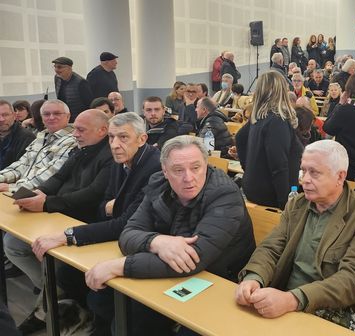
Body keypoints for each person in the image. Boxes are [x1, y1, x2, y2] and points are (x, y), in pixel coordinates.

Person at [85, 136, 255, 336]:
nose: (189, 177)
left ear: (206, 166)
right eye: (178, 170)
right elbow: (129, 233)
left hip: (222, 280)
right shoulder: (157, 184)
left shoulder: (225, 195)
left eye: (196, 167)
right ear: (165, 171)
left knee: (140, 317)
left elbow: (193, 259)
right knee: (104, 300)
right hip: (175, 274)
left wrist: (119, 266)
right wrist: (157, 241)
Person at [236, 140, 355, 335]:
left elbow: (353, 280)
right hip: (287, 302)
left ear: (340, 177)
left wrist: (293, 299)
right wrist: (253, 278)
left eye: (314, 173)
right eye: (303, 170)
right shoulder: (297, 205)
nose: (304, 179)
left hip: (339, 312)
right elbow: (271, 248)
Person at [31, 112, 161, 333]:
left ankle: (102, 325)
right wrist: (114, 209)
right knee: (66, 274)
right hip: (119, 239)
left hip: (144, 245)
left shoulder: (154, 169)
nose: (115, 144)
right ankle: (88, 318)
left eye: (123, 137)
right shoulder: (119, 163)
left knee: (99, 297)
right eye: (111, 137)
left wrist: (68, 234)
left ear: (142, 139)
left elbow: (124, 223)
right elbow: (102, 207)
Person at [5, 109, 112, 333]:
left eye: (81, 130)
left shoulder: (109, 155)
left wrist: (46, 203)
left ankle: (47, 309)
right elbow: (58, 177)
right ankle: (54, 293)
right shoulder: (80, 150)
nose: (75, 134)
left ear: (102, 130)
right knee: (13, 245)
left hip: (80, 221)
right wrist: (36, 194)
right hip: (58, 213)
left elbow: (91, 195)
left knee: (56, 265)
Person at [235, 71, 303, 209]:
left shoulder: (258, 116)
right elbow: (279, 166)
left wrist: (248, 168)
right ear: (281, 91)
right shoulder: (277, 121)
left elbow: (240, 137)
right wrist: (285, 203)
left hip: (255, 188)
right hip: (272, 195)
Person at [0, 100, 76, 193]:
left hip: (43, 196)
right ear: (42, 117)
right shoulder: (41, 137)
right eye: (46, 114)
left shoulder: (73, 140)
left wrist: (14, 187)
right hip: (23, 191)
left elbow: (50, 174)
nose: (51, 117)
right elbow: (22, 164)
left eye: (57, 113)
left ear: (68, 116)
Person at [0, 100, 35, 170]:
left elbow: (24, 168)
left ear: (14, 116)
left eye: (5, 115)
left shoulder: (27, 138)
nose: (1, 119)